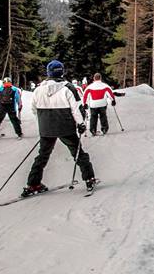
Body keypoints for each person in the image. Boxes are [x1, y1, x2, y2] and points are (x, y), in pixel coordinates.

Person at [22, 60, 97, 197]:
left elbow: (33, 109)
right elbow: (76, 109)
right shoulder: (68, 88)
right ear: (62, 72)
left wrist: (44, 121)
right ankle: (89, 178)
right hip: (65, 126)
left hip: (46, 128)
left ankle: (32, 183)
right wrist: (81, 124)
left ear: (48, 73)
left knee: (42, 156)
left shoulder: (39, 89)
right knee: (78, 153)